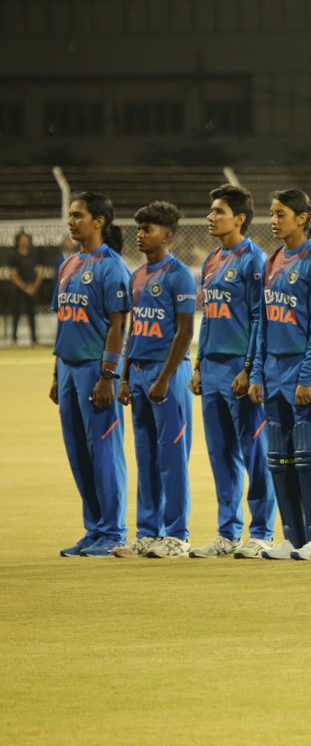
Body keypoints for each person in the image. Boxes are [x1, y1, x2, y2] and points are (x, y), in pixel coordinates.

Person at [189, 184, 276, 559]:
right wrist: (198, 363)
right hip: (211, 369)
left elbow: (260, 317)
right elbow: (207, 316)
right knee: (220, 453)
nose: (210, 217)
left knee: (254, 451)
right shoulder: (211, 261)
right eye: (211, 211)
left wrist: (249, 368)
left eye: (218, 211)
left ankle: (262, 532)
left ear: (239, 218)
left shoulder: (255, 260)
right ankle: (227, 534)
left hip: (239, 371)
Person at [248, 189, 311, 561]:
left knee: (310, 453)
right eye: (271, 213)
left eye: (280, 213)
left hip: (300, 369)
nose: (273, 220)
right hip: (272, 370)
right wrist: (256, 371)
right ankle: (293, 536)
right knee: (279, 457)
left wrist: (310, 374)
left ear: (302, 218)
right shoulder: (271, 261)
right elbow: (263, 322)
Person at [112, 202, 197, 559]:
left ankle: (177, 534)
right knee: (145, 455)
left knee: (172, 458)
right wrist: (126, 375)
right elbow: (133, 331)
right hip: (141, 373)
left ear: (167, 234)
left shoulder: (180, 275)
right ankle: (148, 532)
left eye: (147, 228)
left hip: (168, 375)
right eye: (139, 228)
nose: (140, 234)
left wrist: (163, 378)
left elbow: (184, 331)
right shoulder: (137, 276)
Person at [52, 192, 131, 557]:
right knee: (79, 454)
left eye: (78, 215)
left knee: (103, 452)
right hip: (68, 369)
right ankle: (94, 528)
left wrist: (107, 375)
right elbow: (63, 321)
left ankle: (113, 531)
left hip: (95, 371)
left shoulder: (111, 266)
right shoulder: (67, 266)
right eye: (70, 215)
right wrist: (56, 373)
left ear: (99, 221)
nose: (71, 221)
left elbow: (119, 325)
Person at [10, 232, 42, 345]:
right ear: (18, 241)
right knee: (16, 314)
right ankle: (14, 339)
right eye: (22, 239)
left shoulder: (33, 254)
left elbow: (39, 272)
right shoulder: (14, 255)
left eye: (26, 239)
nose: (24, 241)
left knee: (32, 314)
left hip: (32, 288)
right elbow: (13, 275)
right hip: (19, 289)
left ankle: (34, 340)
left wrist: (34, 286)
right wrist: (24, 287)